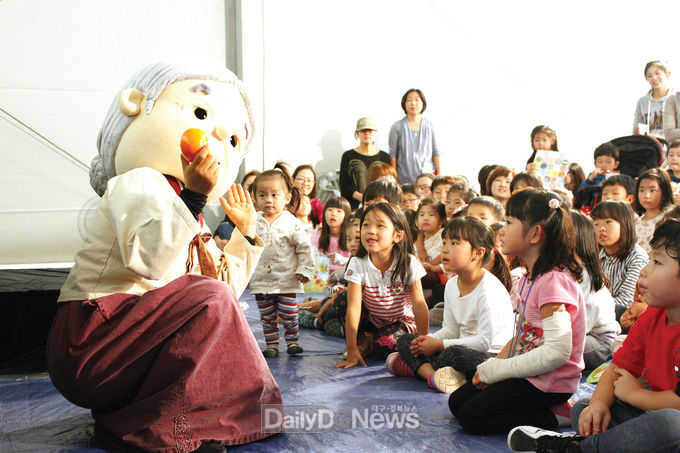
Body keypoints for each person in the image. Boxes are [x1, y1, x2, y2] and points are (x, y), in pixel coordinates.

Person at [46, 61, 282, 452]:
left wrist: (247, 233)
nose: (220, 137)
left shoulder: (195, 216)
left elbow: (220, 296)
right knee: (210, 298)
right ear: (136, 106)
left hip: (131, 349)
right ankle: (164, 429)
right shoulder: (140, 182)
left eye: (234, 140)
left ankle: (147, 420)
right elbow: (150, 261)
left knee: (215, 301)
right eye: (201, 114)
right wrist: (192, 197)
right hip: (92, 342)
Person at [507, 219, 680, 453]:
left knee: (670, 426)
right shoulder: (653, 316)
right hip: (651, 413)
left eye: (657, 262)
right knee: (586, 409)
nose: (645, 270)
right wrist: (599, 404)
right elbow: (617, 368)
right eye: (650, 259)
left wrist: (636, 395)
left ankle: (576, 448)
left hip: (670, 418)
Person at [448, 189, 586, 435]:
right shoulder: (528, 277)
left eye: (510, 222)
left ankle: (558, 415)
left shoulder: (554, 280)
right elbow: (524, 335)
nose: (501, 230)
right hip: (529, 371)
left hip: (550, 382)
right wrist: (492, 365)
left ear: (535, 234)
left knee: (472, 418)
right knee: (457, 402)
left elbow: (557, 352)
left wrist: (497, 371)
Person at [387, 217, 514, 393]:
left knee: (453, 355)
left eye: (454, 243)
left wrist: (439, 345)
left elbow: (484, 342)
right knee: (407, 340)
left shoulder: (489, 289)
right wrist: (429, 341)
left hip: (491, 356)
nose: (445, 249)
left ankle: (415, 367)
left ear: (478, 253)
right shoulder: (452, 284)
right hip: (458, 345)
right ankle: (434, 376)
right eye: (444, 242)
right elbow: (451, 329)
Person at [333, 202, 429, 368]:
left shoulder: (408, 263)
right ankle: (362, 343)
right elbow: (354, 308)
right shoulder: (357, 263)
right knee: (342, 300)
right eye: (366, 225)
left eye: (380, 225)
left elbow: (419, 306)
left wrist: (423, 342)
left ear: (397, 236)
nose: (371, 230)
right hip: (373, 320)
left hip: (401, 323)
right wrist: (351, 349)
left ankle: (370, 343)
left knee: (385, 344)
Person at [249, 164, 314, 358]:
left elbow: (304, 248)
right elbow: (244, 248)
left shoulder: (291, 222)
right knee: (267, 316)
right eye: (262, 195)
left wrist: (305, 269)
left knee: (289, 313)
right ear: (254, 197)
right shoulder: (252, 221)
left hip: (287, 280)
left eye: (274, 195)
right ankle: (272, 345)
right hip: (261, 280)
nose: (268, 200)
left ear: (287, 198)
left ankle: (292, 341)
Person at [570, 211, 621, 369]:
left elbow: (581, 326)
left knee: (559, 349)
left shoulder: (583, 275)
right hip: (573, 334)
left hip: (598, 339)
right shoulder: (558, 271)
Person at [591, 200, 649, 323]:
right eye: (596, 223)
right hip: (595, 314)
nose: (601, 228)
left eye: (608, 222)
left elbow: (626, 301)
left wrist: (590, 307)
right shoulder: (596, 254)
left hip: (620, 318)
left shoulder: (637, 257)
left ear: (624, 224)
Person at [389, 88, 441, 184]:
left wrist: (440, 174)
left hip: (427, 178)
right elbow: (393, 154)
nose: (413, 103)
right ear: (404, 104)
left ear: (423, 103)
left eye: (417, 100)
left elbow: (436, 151)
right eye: (409, 100)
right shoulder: (397, 126)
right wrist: (394, 177)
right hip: (403, 177)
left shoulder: (430, 126)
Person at [339, 117, 391, 209]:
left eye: (370, 130)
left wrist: (375, 200)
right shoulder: (348, 156)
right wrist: (362, 198)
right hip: (353, 206)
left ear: (376, 133)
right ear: (357, 133)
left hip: (380, 205)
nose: (367, 133)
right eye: (363, 130)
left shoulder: (384, 157)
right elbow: (344, 185)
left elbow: (389, 184)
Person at [214, 169, 260, 250]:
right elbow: (223, 228)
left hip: (252, 246)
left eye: (256, 186)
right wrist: (216, 239)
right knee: (224, 226)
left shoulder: (267, 211)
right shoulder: (236, 209)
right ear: (242, 188)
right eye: (250, 186)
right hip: (235, 245)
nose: (252, 190)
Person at [633, 168, 674, 255]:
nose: (646, 196)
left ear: (664, 193)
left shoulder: (667, 221)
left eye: (652, 190)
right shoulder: (634, 221)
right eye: (642, 190)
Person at [311, 196, 351, 278]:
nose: (333, 214)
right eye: (330, 210)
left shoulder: (351, 236)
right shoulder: (318, 235)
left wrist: (340, 259)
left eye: (339, 211)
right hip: (321, 277)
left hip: (344, 276)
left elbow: (357, 262)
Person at [633, 60, 672, 138]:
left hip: (673, 148)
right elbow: (636, 131)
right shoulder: (642, 102)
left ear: (667, 74)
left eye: (657, 73)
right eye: (649, 76)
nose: (654, 78)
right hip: (650, 147)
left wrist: (660, 138)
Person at [414, 198, 447, 289]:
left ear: (442, 220)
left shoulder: (444, 234)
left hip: (437, 274)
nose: (425, 218)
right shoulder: (419, 236)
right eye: (422, 214)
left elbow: (444, 254)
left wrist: (430, 265)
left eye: (431, 214)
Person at [577, 142, 620, 206]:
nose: (604, 165)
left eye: (608, 162)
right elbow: (581, 192)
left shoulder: (618, 178)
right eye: (600, 162)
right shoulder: (593, 177)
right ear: (595, 164)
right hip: (593, 206)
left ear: (616, 164)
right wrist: (590, 179)